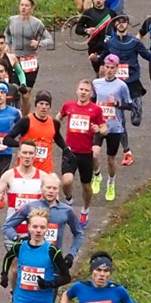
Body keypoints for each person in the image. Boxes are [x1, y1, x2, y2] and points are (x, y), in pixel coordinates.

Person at [2, 172, 84, 262]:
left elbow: (78, 234)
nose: (51, 191)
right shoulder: (29, 207)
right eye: (48, 187)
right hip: (31, 256)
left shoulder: (66, 210)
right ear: (41, 188)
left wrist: (71, 255)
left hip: (53, 258)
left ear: (58, 191)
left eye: (55, 188)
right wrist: (17, 238)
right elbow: (7, 226)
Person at [58, 80, 106, 217]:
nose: (83, 92)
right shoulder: (68, 106)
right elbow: (58, 118)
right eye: (81, 89)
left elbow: (104, 128)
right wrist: (53, 130)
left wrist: (99, 130)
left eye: (86, 90)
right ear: (77, 91)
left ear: (91, 94)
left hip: (86, 153)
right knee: (66, 181)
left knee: (86, 186)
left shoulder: (96, 110)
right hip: (70, 151)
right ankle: (69, 200)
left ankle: (85, 210)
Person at [91, 55, 135, 199]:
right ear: (103, 67)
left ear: (117, 69)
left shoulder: (121, 86)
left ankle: (111, 182)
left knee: (111, 159)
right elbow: (92, 101)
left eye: (112, 68)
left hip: (114, 127)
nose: (109, 70)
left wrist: (117, 103)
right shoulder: (96, 83)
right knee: (93, 154)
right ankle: (97, 175)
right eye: (107, 67)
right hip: (99, 126)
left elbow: (130, 105)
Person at [103, 13, 151, 129]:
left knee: (136, 121)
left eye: (124, 22)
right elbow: (102, 58)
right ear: (114, 24)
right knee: (118, 120)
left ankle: (136, 106)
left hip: (132, 80)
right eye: (118, 22)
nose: (121, 24)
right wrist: (95, 58)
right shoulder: (109, 43)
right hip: (116, 82)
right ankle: (122, 137)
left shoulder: (135, 42)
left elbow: (149, 56)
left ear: (128, 24)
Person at [5, 0, 54, 103]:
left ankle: (25, 113)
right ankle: (15, 112)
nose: (23, 8)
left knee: (26, 94)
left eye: (26, 6)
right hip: (15, 60)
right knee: (12, 90)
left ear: (32, 8)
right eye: (22, 5)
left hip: (29, 61)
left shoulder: (37, 23)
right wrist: (6, 44)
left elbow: (50, 39)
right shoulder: (12, 20)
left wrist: (39, 43)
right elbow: (7, 33)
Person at [15, 92, 62, 181]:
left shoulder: (54, 123)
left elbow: (58, 137)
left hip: (45, 170)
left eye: (47, 104)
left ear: (50, 106)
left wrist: (66, 149)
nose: (44, 107)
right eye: (41, 103)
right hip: (26, 170)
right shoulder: (26, 121)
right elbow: (7, 139)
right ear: (36, 105)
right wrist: (22, 145)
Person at [75, 0, 115, 73]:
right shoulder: (88, 13)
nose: (98, 0)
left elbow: (117, 28)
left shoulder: (111, 13)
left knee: (104, 71)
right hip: (94, 48)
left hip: (108, 47)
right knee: (99, 73)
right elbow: (78, 29)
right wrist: (86, 30)